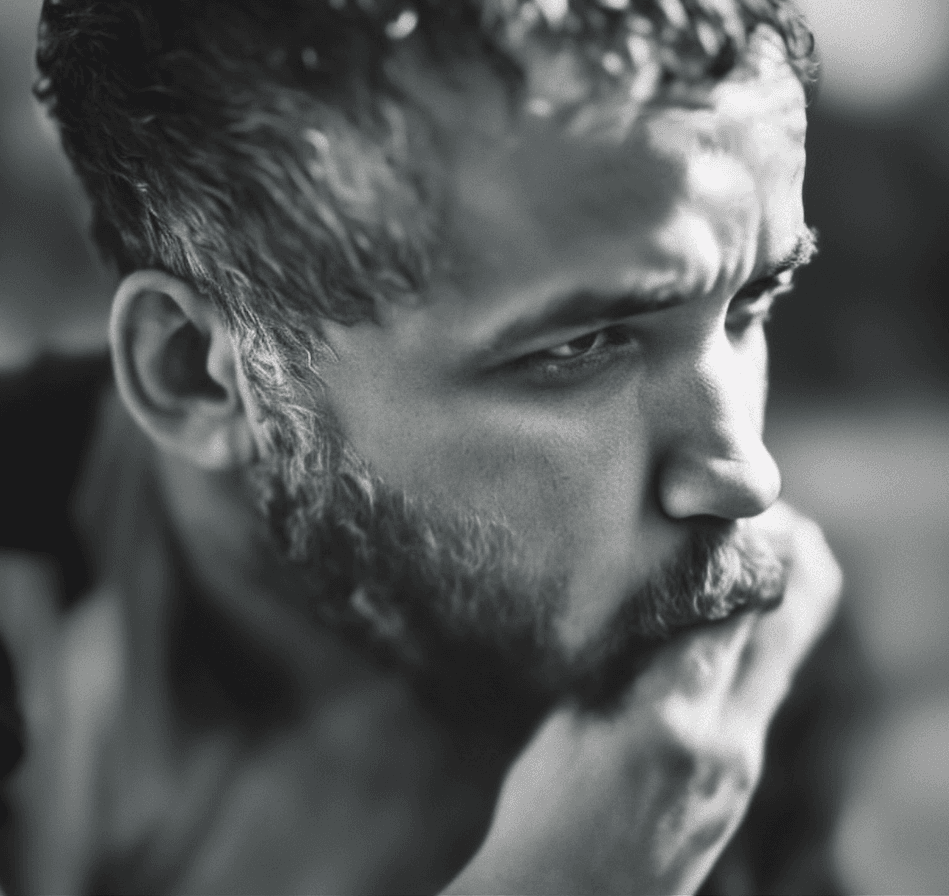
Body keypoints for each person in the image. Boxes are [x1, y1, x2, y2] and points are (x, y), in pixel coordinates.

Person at [0, 0, 864, 892]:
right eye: (578, 345)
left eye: (750, 305)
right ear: (200, 377)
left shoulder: (721, 669)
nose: (746, 479)